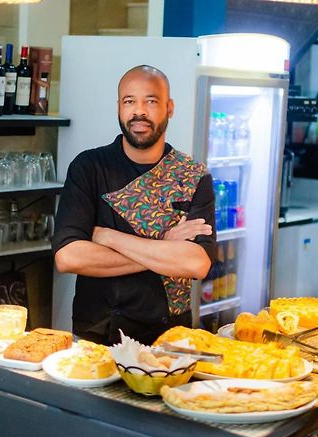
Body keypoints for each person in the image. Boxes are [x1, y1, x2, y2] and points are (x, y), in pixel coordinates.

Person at [52, 64, 216, 345]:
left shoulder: (193, 175)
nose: (139, 111)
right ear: (119, 107)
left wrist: (108, 236)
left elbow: (197, 263)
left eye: (151, 101)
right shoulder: (89, 167)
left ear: (170, 107)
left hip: (169, 339)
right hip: (98, 332)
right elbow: (68, 257)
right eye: (130, 101)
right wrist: (164, 246)